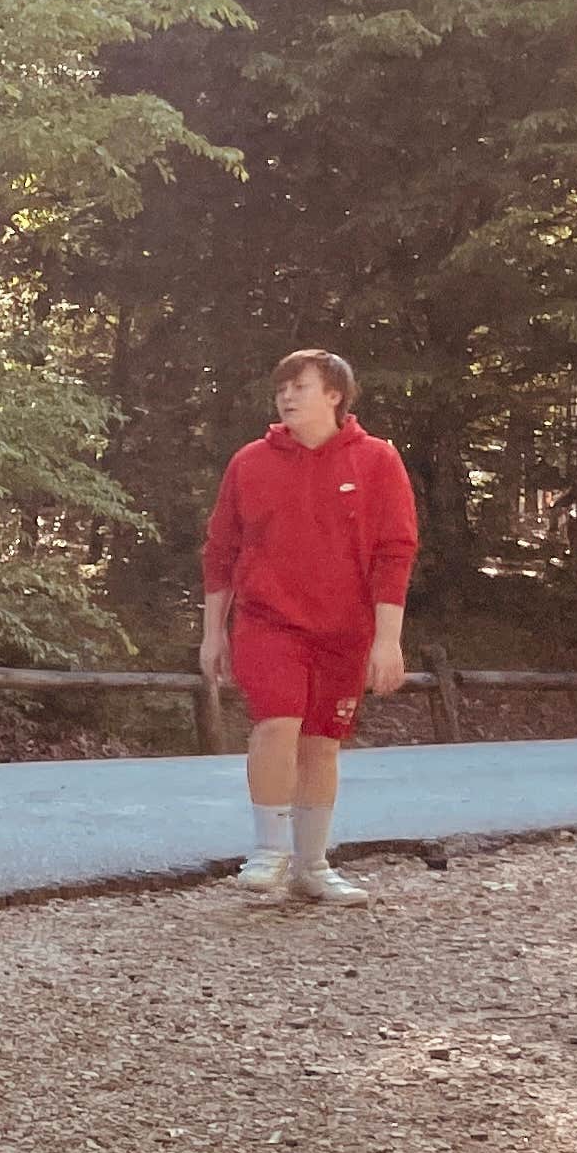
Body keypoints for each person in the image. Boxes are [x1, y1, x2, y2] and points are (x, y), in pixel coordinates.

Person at [199, 348, 418, 906]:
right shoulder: (249, 462)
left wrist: (388, 641)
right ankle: (268, 851)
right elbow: (220, 551)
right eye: (281, 387)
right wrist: (212, 633)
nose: (287, 395)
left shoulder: (377, 462)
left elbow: (395, 554)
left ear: (335, 395)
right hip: (268, 622)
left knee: (322, 743)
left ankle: (312, 867)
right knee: (277, 723)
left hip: (345, 630)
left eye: (300, 385)